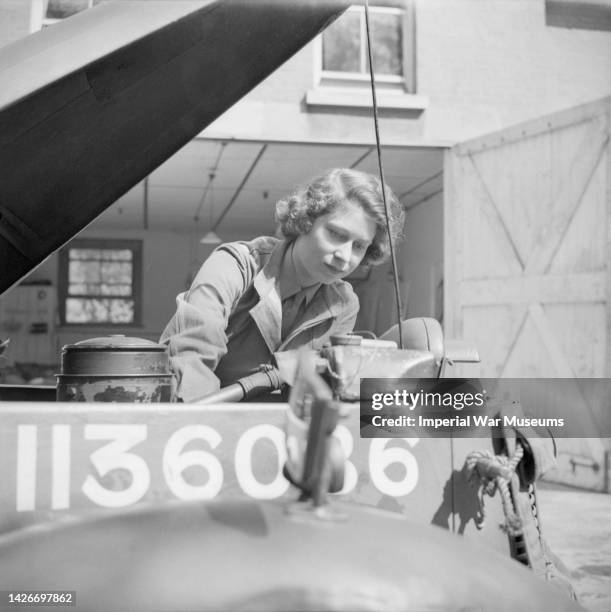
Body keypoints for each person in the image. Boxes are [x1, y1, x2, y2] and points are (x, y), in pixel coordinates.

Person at [160, 167, 404, 402]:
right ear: (305, 221)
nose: (345, 255)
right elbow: (193, 358)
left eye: (359, 246)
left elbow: (327, 387)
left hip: (278, 428)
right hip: (197, 418)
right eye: (336, 234)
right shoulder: (236, 266)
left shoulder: (343, 303)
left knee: (426, 414)